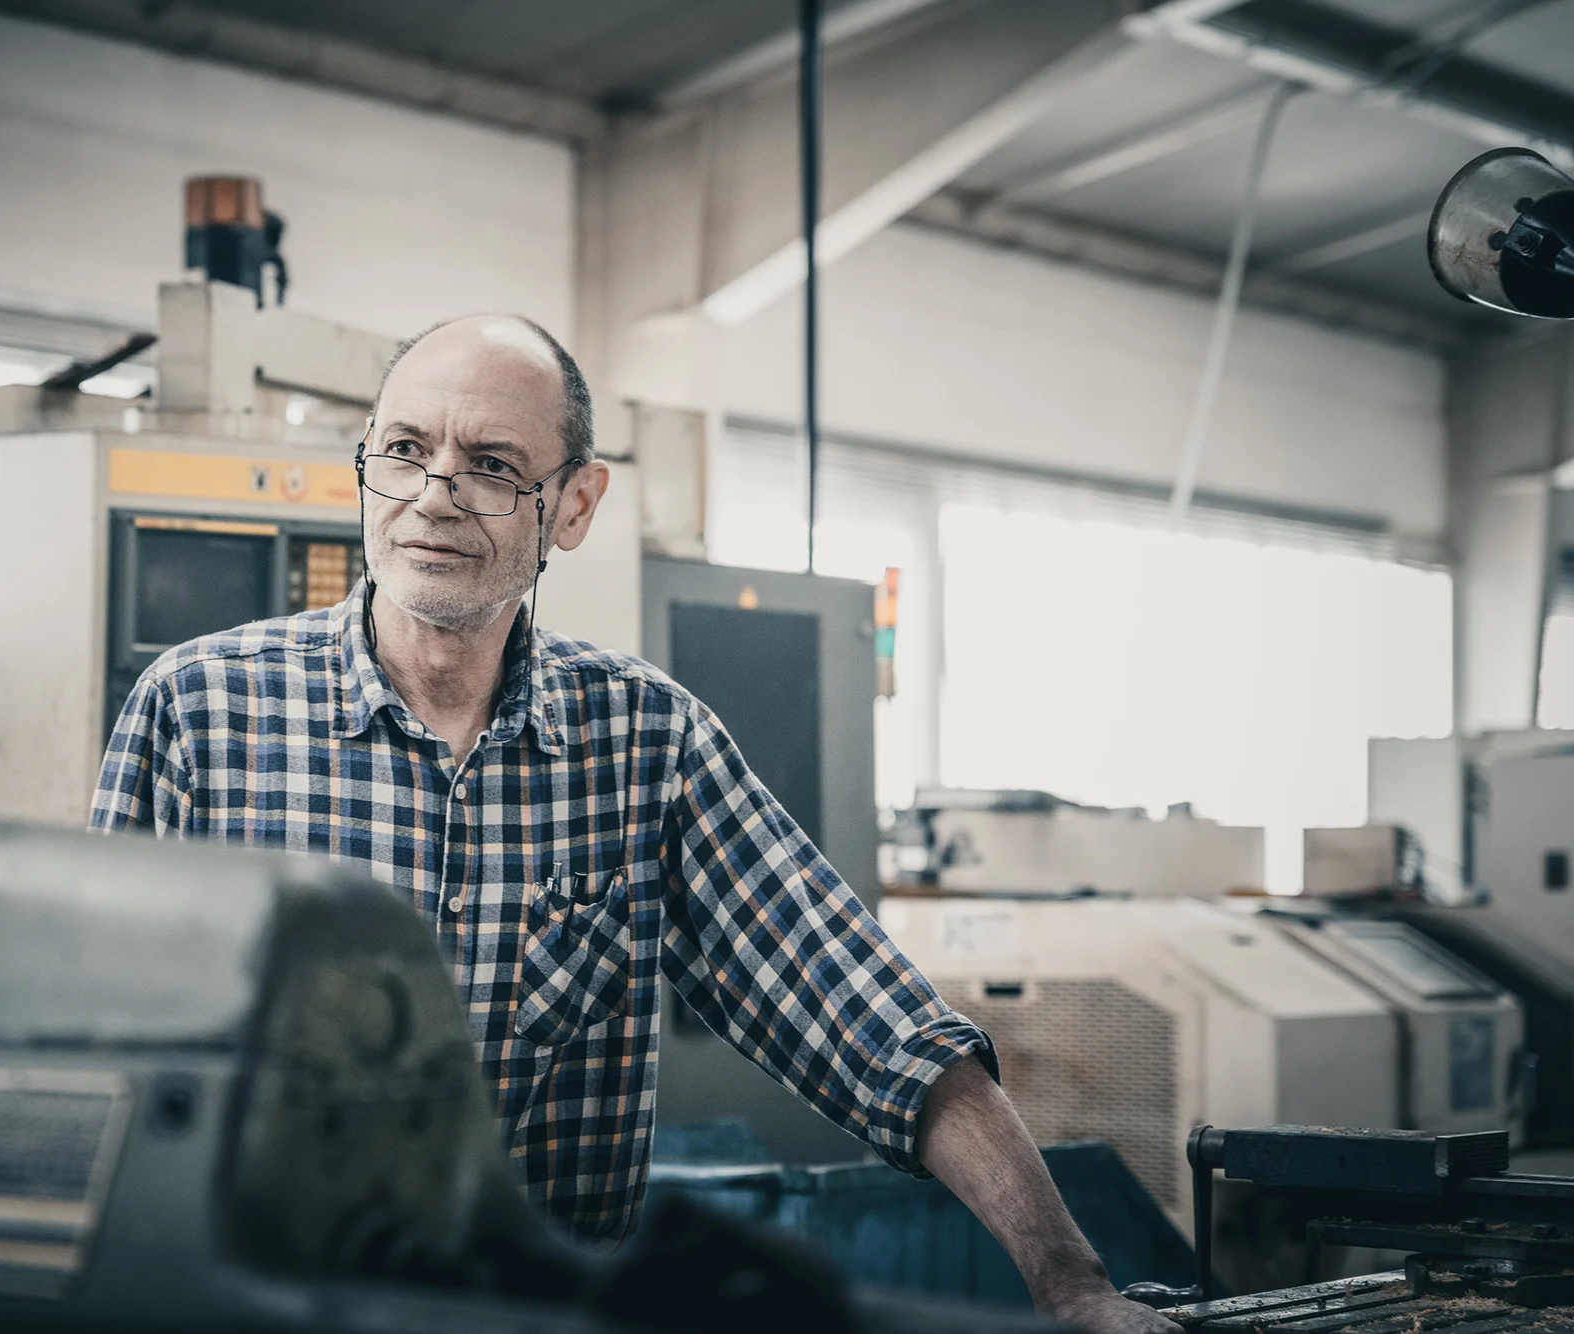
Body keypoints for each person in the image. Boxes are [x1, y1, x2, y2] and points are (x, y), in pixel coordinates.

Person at [92, 314, 1177, 1334]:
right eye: (404, 449)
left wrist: (1072, 1285)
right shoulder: (198, 712)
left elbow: (877, 1030)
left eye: (491, 465)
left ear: (572, 505)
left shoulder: (645, 744)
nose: (433, 493)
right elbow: (77, 1055)